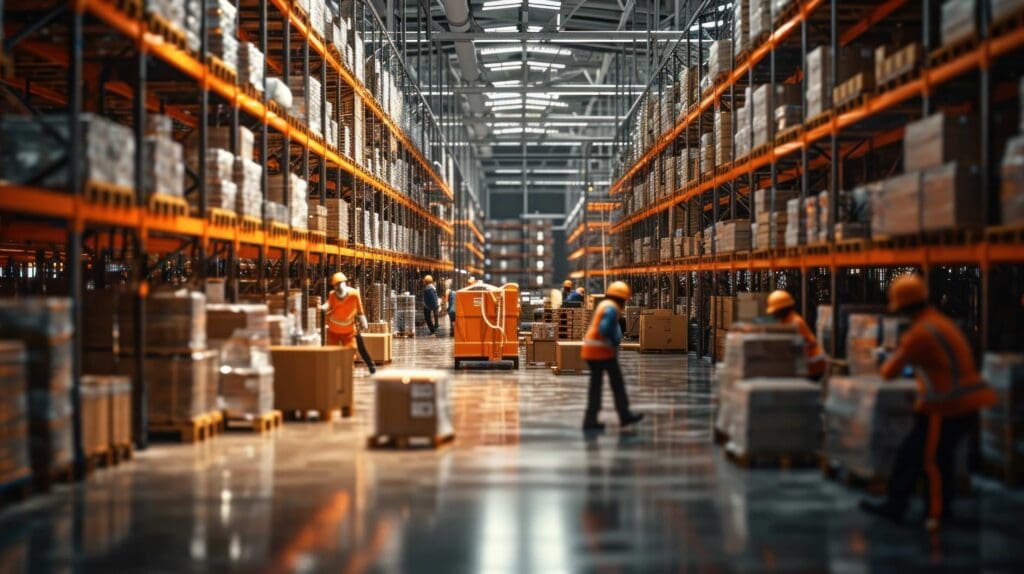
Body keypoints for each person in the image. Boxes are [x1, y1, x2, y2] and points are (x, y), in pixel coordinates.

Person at [859, 274, 996, 531]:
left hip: (947, 405)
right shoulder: (940, 323)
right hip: (959, 400)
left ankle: (936, 514)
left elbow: (888, 372)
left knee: (933, 461)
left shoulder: (919, 334)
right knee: (910, 453)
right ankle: (895, 504)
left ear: (903, 307)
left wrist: (890, 355)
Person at [581, 281, 645, 432]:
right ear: (621, 298)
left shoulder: (605, 304)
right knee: (615, 384)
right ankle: (623, 416)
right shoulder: (611, 308)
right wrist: (613, 341)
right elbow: (604, 329)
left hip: (595, 351)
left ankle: (592, 420)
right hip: (600, 352)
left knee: (598, 386)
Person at [767, 289, 827, 380]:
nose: (773, 313)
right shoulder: (787, 320)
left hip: (813, 364)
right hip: (807, 363)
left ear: (782, 309)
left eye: (775, 310)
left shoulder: (795, 323)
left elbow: (795, 346)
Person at [323, 272, 375, 373]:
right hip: (334, 329)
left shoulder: (354, 294)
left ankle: (370, 365)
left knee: (357, 347)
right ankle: (334, 369)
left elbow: (359, 309)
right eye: (336, 285)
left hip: (349, 329)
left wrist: (362, 319)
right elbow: (329, 303)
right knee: (332, 350)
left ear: (344, 283)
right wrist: (324, 307)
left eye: (340, 284)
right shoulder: (332, 295)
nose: (338, 287)